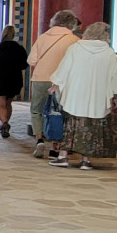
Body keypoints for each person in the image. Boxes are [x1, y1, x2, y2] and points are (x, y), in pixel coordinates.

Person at [48, 22, 117, 170]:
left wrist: (56, 83)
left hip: (75, 93)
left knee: (70, 125)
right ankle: (85, 160)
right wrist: (116, 94)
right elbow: (112, 76)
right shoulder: (108, 52)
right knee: (91, 126)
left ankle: (63, 157)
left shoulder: (75, 48)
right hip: (97, 95)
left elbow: (64, 68)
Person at [28, 10, 81, 158]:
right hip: (62, 81)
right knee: (59, 112)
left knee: (37, 110)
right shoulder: (74, 40)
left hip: (40, 78)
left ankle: (39, 139)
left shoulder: (42, 37)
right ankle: (55, 147)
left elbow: (31, 60)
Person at [0, 25, 28, 138]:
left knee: (0, 104)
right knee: (8, 103)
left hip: (0, 78)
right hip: (15, 78)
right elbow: (24, 65)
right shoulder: (19, 49)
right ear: (14, 35)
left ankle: (4, 123)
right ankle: (5, 123)